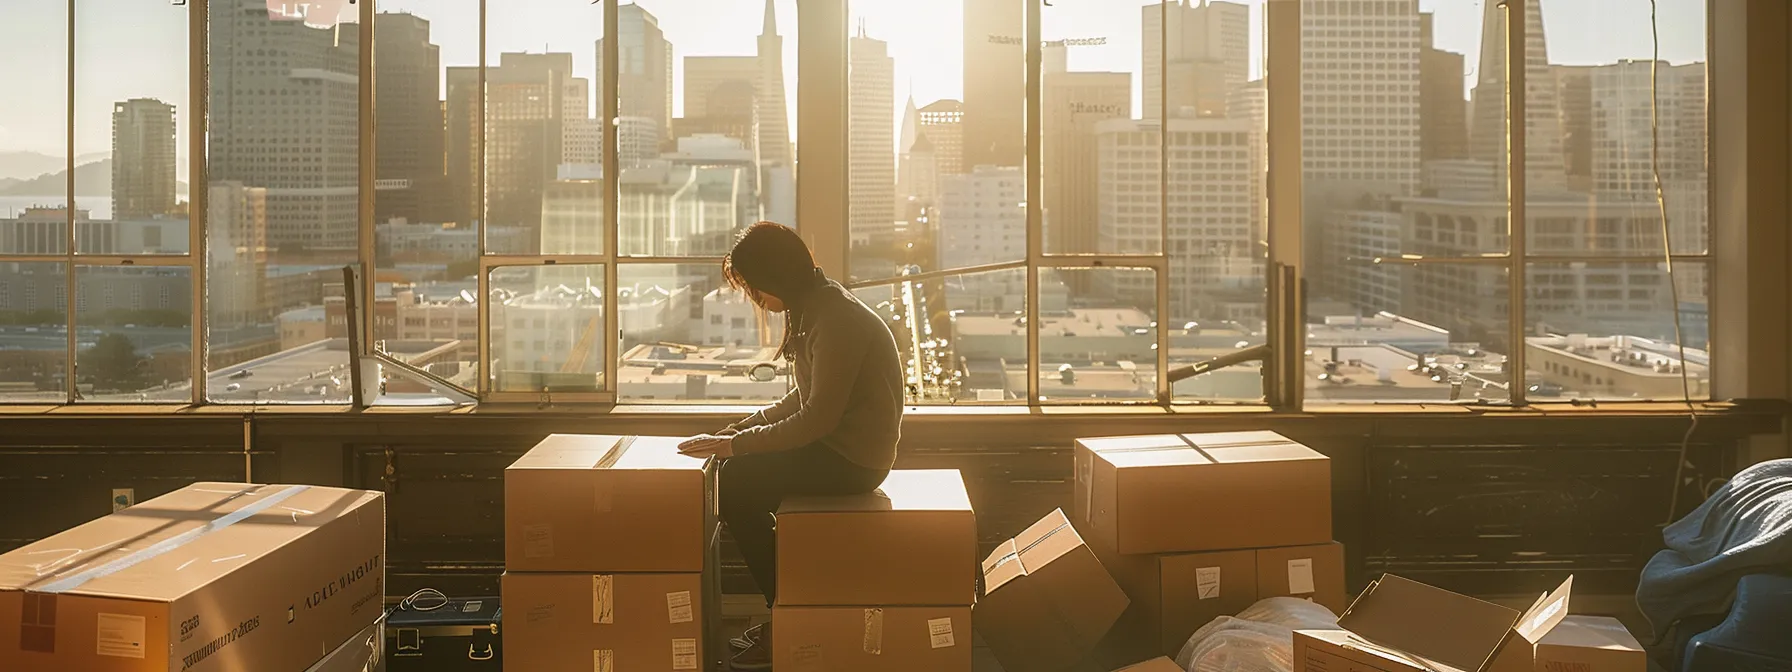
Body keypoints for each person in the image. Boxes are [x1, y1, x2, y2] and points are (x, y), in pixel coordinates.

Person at [677, 222, 904, 671]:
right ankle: (794, 604)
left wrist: (736, 447)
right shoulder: (815, 307)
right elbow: (802, 398)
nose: (754, 298)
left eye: (755, 287)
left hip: (854, 460)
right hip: (836, 447)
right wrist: (741, 428)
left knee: (738, 483)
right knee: (738, 473)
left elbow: (816, 419)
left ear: (776, 275)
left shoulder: (835, 319)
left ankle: (789, 615)